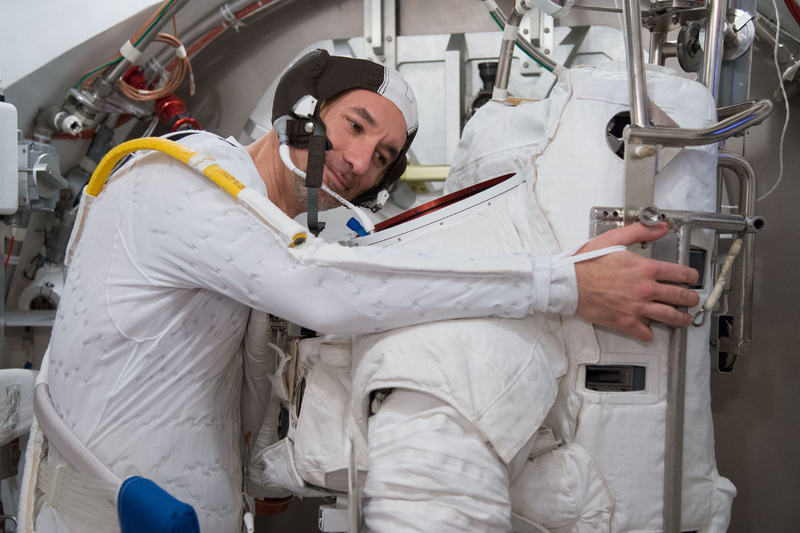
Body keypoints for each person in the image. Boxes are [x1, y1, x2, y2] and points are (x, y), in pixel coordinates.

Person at [20, 49, 699, 532]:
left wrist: (264, 471)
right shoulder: (178, 182)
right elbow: (321, 289)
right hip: (105, 514)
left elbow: (239, 360)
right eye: (356, 125)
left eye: (382, 157)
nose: (357, 162)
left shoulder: (271, 223)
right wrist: (562, 284)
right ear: (303, 105)